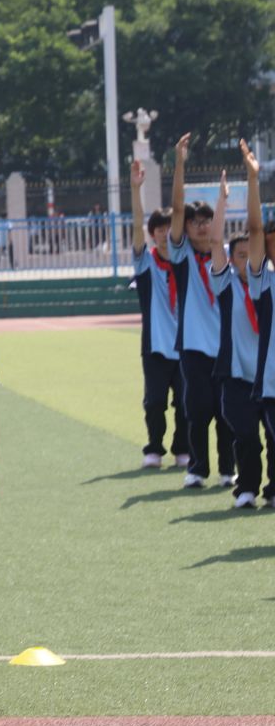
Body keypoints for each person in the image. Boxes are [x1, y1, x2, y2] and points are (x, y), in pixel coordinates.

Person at [166, 134, 236, 490]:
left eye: (207, 219)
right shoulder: (182, 257)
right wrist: (180, 163)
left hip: (226, 346)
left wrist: (222, 200)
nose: (201, 224)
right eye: (196, 221)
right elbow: (176, 209)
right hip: (193, 347)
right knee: (197, 410)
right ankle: (197, 468)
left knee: (227, 412)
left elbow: (224, 230)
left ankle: (228, 470)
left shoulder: (225, 256)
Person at [130, 158, 190, 470]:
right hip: (154, 346)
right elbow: (137, 227)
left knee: (184, 403)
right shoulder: (147, 264)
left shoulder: (187, 263)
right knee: (154, 402)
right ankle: (154, 447)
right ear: (153, 233)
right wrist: (135, 190)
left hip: (186, 345)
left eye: (170, 228)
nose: (166, 233)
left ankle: (183, 448)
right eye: (160, 229)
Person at [218, 145, 265, 511]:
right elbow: (250, 228)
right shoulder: (229, 284)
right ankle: (246, 488)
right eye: (241, 254)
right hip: (238, 376)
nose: (247, 259)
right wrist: (248, 181)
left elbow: (257, 230)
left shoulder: (267, 282)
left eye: (253, 253)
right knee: (246, 435)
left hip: (269, 375)